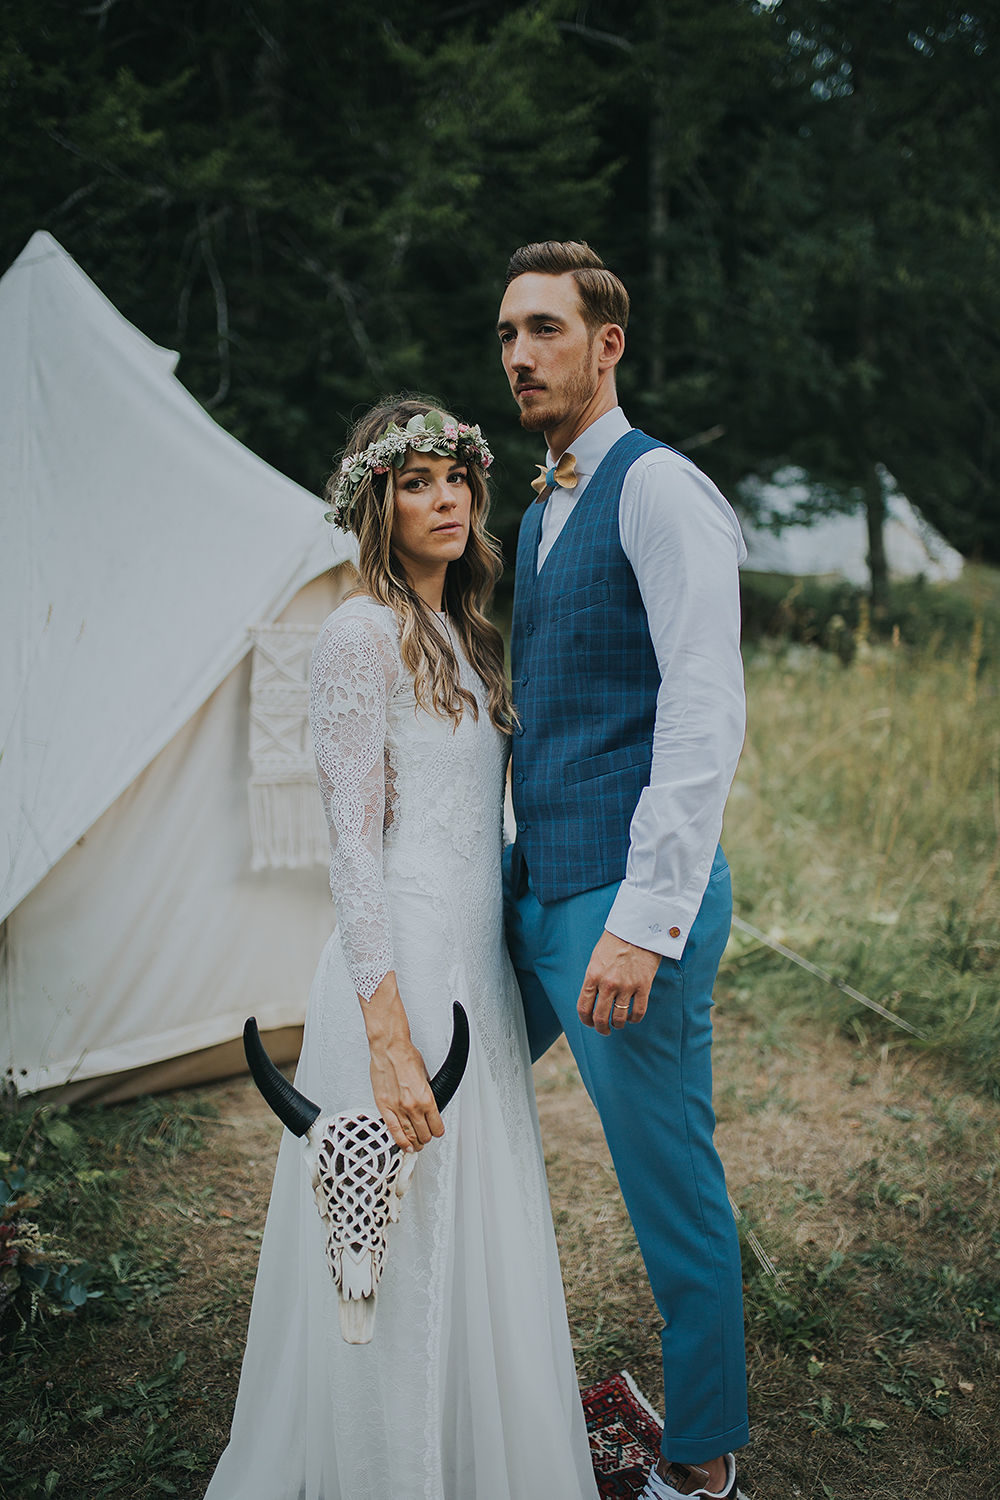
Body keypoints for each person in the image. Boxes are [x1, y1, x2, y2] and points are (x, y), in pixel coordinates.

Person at [205, 396, 599, 1500]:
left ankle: (469, 1452)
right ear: (377, 502)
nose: (445, 500)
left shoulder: (469, 638)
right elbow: (352, 846)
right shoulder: (358, 634)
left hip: (478, 970)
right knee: (394, 1227)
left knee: (474, 1219)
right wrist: (386, 1035)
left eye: (456, 478)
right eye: (416, 482)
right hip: (399, 972)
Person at [498, 242, 750, 1500]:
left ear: (606, 345)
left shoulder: (660, 491)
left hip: (621, 900)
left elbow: (703, 712)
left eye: (545, 329)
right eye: (506, 333)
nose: (519, 354)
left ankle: (700, 1466)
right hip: (531, 885)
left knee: (669, 1188)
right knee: (444, 1099)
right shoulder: (535, 509)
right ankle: (462, 1378)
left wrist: (646, 921)